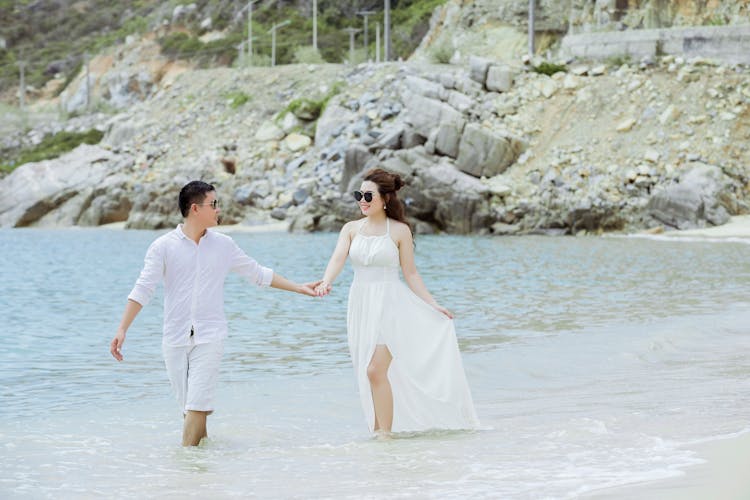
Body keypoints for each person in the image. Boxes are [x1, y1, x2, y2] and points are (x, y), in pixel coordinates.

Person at [110, 180, 323, 446]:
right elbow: (143, 289)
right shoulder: (163, 247)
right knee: (190, 410)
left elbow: (258, 274)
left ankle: (185, 471)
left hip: (210, 337)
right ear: (195, 208)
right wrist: (122, 329)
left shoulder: (224, 245)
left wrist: (300, 288)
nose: (219, 210)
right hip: (174, 339)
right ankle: (204, 471)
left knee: (198, 406)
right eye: (214, 204)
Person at [315, 168, 479, 434]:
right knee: (369, 372)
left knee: (374, 370)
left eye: (368, 195)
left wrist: (432, 304)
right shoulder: (351, 229)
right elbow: (337, 258)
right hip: (361, 303)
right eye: (359, 194)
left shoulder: (400, 231)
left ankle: (385, 437)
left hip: (391, 306)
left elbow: (411, 274)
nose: (362, 200)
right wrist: (326, 281)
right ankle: (379, 432)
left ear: (385, 199)